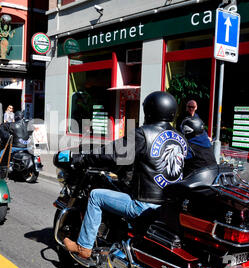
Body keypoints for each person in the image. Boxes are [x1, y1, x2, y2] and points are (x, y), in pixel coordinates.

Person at [63, 91, 188, 259]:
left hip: (144, 204)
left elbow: (112, 153)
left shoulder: (144, 133)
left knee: (95, 196)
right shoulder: (180, 137)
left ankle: (83, 246)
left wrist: (84, 158)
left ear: (150, 111)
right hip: (168, 206)